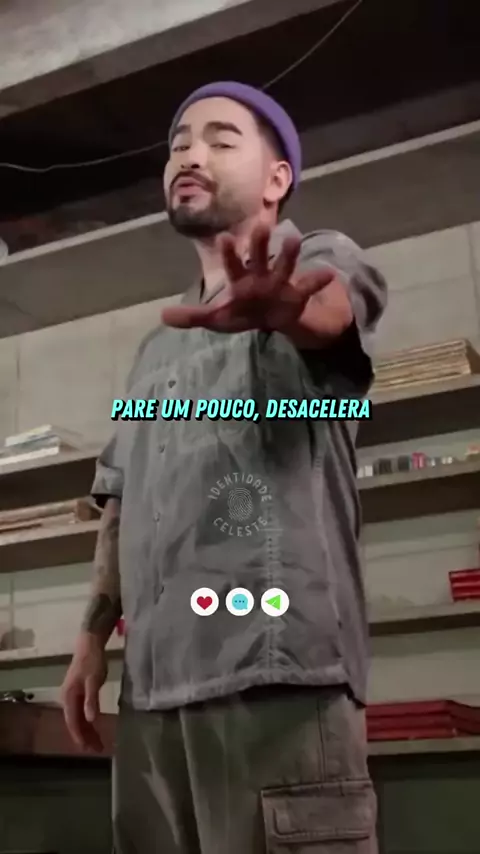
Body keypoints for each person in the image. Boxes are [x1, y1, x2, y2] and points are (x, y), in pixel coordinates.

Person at [61, 81, 387, 854]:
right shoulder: (155, 353)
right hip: (152, 702)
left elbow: (330, 314)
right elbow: (122, 500)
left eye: (220, 138)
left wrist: (289, 311)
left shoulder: (320, 260)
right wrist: (90, 639)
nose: (190, 154)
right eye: (178, 143)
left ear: (277, 178)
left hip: (277, 685)